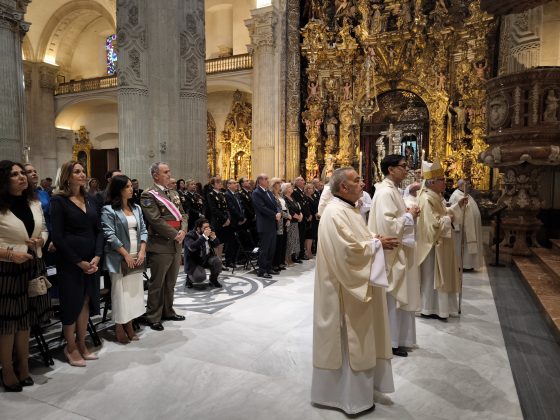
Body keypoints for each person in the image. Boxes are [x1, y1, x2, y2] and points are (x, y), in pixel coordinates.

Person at [311, 167, 398, 415]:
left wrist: (374, 237)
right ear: (342, 188)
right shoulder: (334, 212)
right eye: (356, 180)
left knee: (360, 339)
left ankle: (361, 391)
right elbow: (348, 252)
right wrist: (375, 245)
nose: (362, 184)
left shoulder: (349, 209)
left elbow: (358, 238)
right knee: (348, 342)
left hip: (353, 288)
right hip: (342, 291)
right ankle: (345, 396)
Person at [0, 160, 48, 391]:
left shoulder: (33, 201)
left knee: (26, 319)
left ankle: (24, 365)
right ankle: (7, 369)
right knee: (9, 323)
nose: (21, 177)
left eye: (22, 173)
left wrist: (41, 240)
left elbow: (44, 229)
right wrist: (9, 254)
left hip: (31, 264)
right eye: (14, 174)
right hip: (6, 270)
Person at [50, 161, 103, 366]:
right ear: (67, 176)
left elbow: (98, 230)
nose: (82, 175)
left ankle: (82, 343)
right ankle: (70, 347)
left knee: (86, 302)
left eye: (83, 171)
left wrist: (97, 255)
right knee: (71, 304)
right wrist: (78, 261)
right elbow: (58, 237)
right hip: (71, 261)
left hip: (91, 260)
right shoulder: (59, 201)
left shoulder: (90, 199)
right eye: (77, 172)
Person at [369, 155, 421, 357]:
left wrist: (408, 214)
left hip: (398, 251)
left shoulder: (392, 191)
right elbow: (388, 225)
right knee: (391, 298)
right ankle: (390, 341)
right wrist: (409, 216)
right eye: (403, 166)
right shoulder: (385, 193)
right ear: (391, 169)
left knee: (397, 297)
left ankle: (399, 338)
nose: (406, 170)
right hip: (390, 254)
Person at [140, 162, 188, 331]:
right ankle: (153, 316)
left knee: (170, 282)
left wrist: (182, 230)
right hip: (160, 244)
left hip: (176, 243)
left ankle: (168, 310)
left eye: (169, 171)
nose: (169, 174)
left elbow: (183, 214)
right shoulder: (148, 195)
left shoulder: (173, 193)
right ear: (156, 176)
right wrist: (175, 234)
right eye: (166, 172)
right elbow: (155, 220)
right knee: (157, 283)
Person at [416, 160, 466, 321]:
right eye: (442, 180)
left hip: (441, 245)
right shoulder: (426, 198)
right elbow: (433, 225)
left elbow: (444, 213)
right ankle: (430, 307)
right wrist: (448, 217)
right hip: (432, 247)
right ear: (432, 182)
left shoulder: (436, 196)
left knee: (442, 275)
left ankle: (441, 308)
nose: (445, 183)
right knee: (432, 277)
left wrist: (456, 207)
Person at [101, 175, 148, 344]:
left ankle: (130, 323)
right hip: (119, 256)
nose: (131, 188)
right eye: (127, 186)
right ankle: (120, 326)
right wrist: (125, 254)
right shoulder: (109, 210)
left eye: (131, 186)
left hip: (137, 254)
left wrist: (142, 250)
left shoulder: (136, 208)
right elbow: (109, 234)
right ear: (118, 189)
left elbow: (143, 229)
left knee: (133, 293)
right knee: (120, 293)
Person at [449, 179, 483, 271]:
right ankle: (462, 265)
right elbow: (452, 211)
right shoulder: (455, 196)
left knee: (469, 247)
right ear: (461, 185)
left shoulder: (467, 195)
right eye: (468, 185)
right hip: (462, 229)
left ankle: (469, 264)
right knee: (462, 247)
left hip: (471, 228)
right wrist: (456, 227)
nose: (470, 186)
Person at [252, 174, 281, 278]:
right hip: (264, 225)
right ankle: (262, 270)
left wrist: (278, 212)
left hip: (272, 224)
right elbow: (262, 208)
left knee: (271, 248)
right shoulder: (256, 193)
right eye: (266, 179)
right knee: (264, 249)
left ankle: (269, 268)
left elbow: (275, 205)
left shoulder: (268, 192)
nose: (268, 181)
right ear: (260, 181)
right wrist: (275, 214)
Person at [184, 218, 222, 289]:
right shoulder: (189, 235)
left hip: (206, 258)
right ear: (198, 228)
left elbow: (216, 244)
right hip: (194, 262)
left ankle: (213, 280)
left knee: (217, 262)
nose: (208, 229)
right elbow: (192, 247)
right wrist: (204, 236)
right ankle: (189, 278)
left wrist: (214, 238)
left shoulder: (209, 233)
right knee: (200, 277)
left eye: (208, 227)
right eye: (205, 228)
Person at [206, 177, 230, 269]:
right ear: (212, 185)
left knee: (222, 243)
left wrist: (228, 219)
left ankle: (220, 261)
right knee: (216, 242)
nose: (220, 184)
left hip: (225, 221)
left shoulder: (222, 194)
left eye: (220, 182)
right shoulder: (210, 194)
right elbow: (213, 209)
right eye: (217, 182)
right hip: (217, 221)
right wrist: (224, 219)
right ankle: (217, 262)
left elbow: (226, 208)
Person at [224, 179, 246, 267]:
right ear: (228, 185)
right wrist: (241, 218)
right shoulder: (227, 195)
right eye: (233, 183)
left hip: (238, 221)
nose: (236, 184)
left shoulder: (236, 194)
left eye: (236, 183)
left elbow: (240, 206)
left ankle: (234, 259)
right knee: (230, 242)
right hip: (233, 221)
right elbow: (232, 209)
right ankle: (229, 261)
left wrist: (243, 217)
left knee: (236, 242)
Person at [270, 178, 289, 271]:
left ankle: (281, 262)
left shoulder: (281, 194)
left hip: (285, 220)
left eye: (280, 183)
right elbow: (278, 209)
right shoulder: (272, 195)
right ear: (274, 184)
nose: (280, 184)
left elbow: (286, 206)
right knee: (277, 242)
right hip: (278, 220)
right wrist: (287, 216)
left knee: (283, 242)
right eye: (278, 183)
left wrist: (288, 217)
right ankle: (275, 263)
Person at [282, 183, 303, 265]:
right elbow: (289, 209)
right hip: (290, 222)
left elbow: (298, 207)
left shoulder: (292, 197)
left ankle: (290, 257)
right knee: (289, 241)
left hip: (295, 222)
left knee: (294, 241)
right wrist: (297, 217)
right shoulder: (285, 198)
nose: (292, 188)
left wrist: (300, 215)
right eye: (289, 187)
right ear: (285, 189)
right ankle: (286, 258)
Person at [292, 176, 308, 260]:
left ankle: (302, 254)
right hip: (299, 217)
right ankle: (299, 255)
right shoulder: (295, 192)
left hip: (304, 217)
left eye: (303, 180)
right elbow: (299, 205)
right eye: (301, 180)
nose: (304, 182)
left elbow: (305, 204)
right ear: (297, 182)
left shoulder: (302, 191)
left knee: (302, 236)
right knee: (300, 237)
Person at [302, 184, 318, 259]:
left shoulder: (314, 196)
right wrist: (311, 214)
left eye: (311, 188)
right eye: (308, 188)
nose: (310, 190)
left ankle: (310, 251)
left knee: (312, 235)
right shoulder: (305, 197)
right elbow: (307, 207)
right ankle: (307, 251)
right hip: (309, 217)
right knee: (309, 235)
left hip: (315, 218)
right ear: (306, 189)